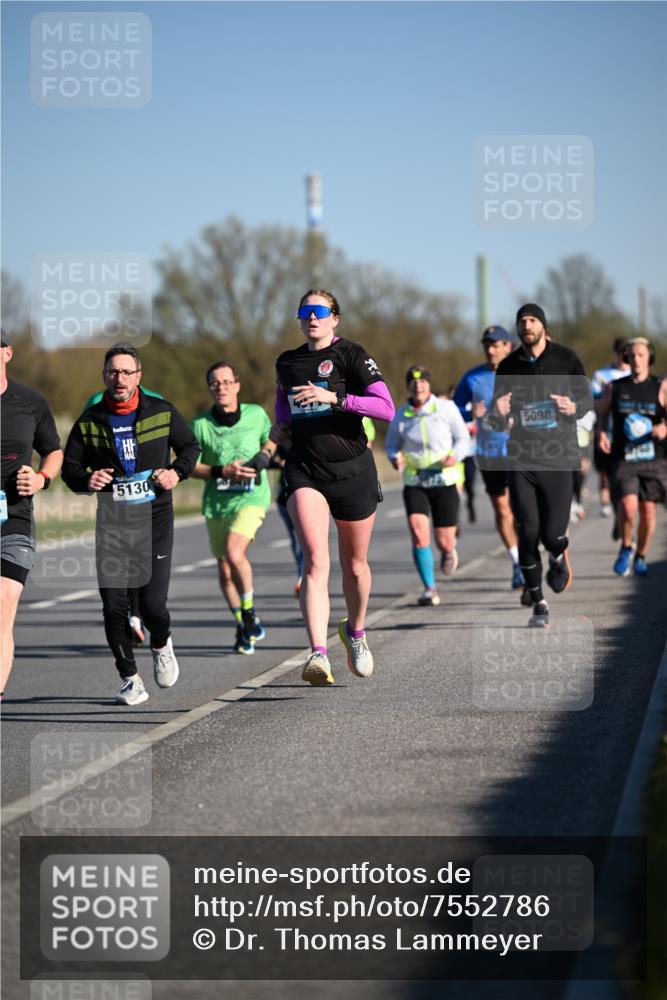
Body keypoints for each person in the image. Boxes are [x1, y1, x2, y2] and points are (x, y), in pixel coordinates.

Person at [62, 343, 199, 705]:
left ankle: (160, 641)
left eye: (126, 372)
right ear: (104, 375)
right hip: (112, 522)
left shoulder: (162, 412)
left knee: (153, 606)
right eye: (112, 371)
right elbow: (69, 469)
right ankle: (130, 678)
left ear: (138, 376)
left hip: (154, 518)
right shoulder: (90, 421)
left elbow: (190, 448)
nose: (119, 378)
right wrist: (85, 479)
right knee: (113, 605)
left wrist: (176, 473)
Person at [273, 289, 395, 686]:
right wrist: (281, 429)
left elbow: (386, 408)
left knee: (355, 566)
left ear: (335, 318)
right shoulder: (288, 362)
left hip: (353, 469)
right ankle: (317, 654)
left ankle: (355, 632)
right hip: (306, 468)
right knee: (315, 559)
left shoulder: (353, 356)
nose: (312, 318)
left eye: (320, 311)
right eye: (305, 311)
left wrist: (334, 396)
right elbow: (283, 408)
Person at [490, 304, 591, 628]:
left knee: (552, 535)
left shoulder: (566, 358)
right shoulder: (508, 366)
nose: (526, 325)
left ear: (543, 326)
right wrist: (498, 410)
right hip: (521, 458)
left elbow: (587, 402)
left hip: (559, 457)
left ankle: (558, 554)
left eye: (532, 320)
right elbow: (495, 419)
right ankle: (539, 602)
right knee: (528, 530)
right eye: (521, 321)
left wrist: (573, 406)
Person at [191, 361, 275, 654]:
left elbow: (272, 440)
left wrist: (265, 455)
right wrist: (221, 472)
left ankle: (249, 612)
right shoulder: (200, 425)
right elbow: (190, 466)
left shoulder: (256, 414)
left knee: (234, 551)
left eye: (227, 382)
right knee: (225, 571)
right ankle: (244, 624)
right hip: (217, 502)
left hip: (252, 498)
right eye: (215, 383)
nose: (221, 387)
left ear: (237, 385)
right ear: (209, 388)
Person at [1, 331, 63, 699]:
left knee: (4, 605)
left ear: (7, 352)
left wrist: (41, 478)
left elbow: (52, 451)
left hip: (14, 520)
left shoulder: (30, 401)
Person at [386, 366, 470, 606]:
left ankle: (448, 550)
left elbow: (463, 438)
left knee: (443, 540)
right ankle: (429, 588)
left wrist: (455, 455)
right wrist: (394, 457)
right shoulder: (401, 416)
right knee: (418, 532)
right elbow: (392, 445)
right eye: (413, 383)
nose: (418, 386)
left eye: (422, 381)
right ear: (408, 387)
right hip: (416, 481)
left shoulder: (445, 409)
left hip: (444, 480)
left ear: (428, 385)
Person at [454, 325, 525, 594]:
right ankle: (518, 563)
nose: (491, 349)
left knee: (523, 510)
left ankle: (530, 555)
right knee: (502, 509)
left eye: (496, 344)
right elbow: (456, 412)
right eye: (487, 344)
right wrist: (472, 413)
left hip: (521, 451)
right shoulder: (472, 378)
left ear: (509, 346)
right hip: (490, 453)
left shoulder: (521, 373)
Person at [597, 337, 667, 576]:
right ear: (626, 358)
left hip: (654, 458)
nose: (636, 360)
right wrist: (602, 434)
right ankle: (627, 546)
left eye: (641, 355)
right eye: (632, 355)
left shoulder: (660, 386)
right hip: (624, 458)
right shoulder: (615, 387)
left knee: (648, 512)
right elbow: (602, 413)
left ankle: (641, 555)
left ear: (649, 358)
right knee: (628, 508)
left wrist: (664, 427)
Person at [591, 338, 630, 518]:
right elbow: (593, 403)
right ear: (615, 352)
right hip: (607, 433)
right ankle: (610, 506)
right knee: (606, 474)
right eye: (620, 351)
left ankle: (621, 516)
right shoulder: (602, 375)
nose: (624, 355)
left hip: (629, 436)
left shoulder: (637, 373)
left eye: (626, 351)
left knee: (625, 480)